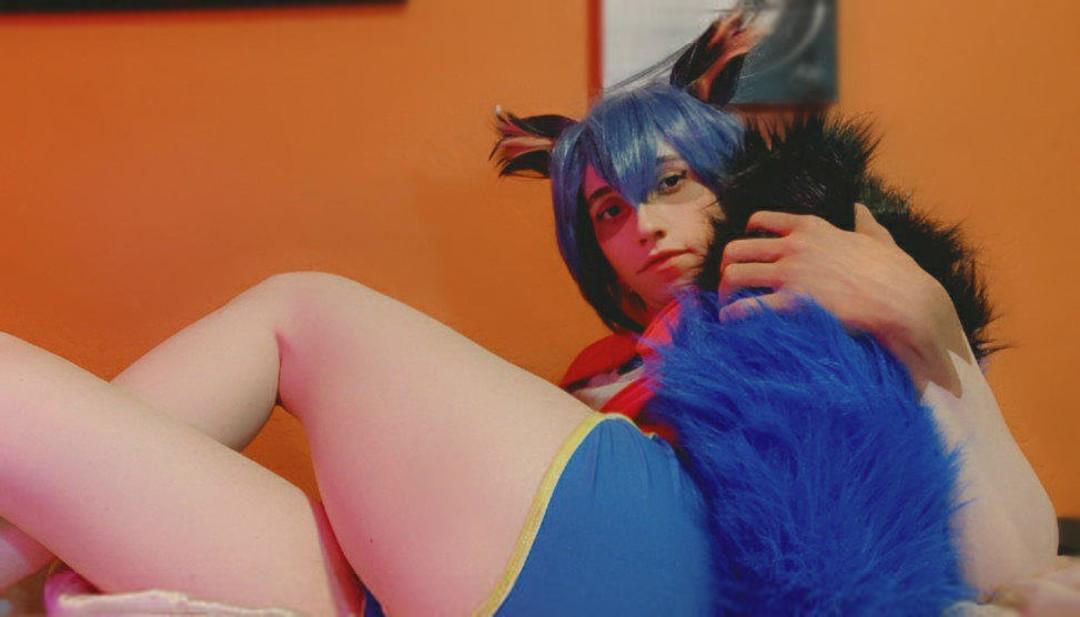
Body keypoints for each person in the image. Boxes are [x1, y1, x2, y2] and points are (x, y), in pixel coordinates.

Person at [0, 13, 1058, 617]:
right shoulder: (599, 369)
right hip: (518, 581)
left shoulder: (811, 285)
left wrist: (931, 321)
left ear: (732, 180)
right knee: (73, 470)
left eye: (672, 182)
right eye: (609, 210)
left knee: (298, 310)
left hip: (688, 570)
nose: (643, 226)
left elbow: (1015, 559)